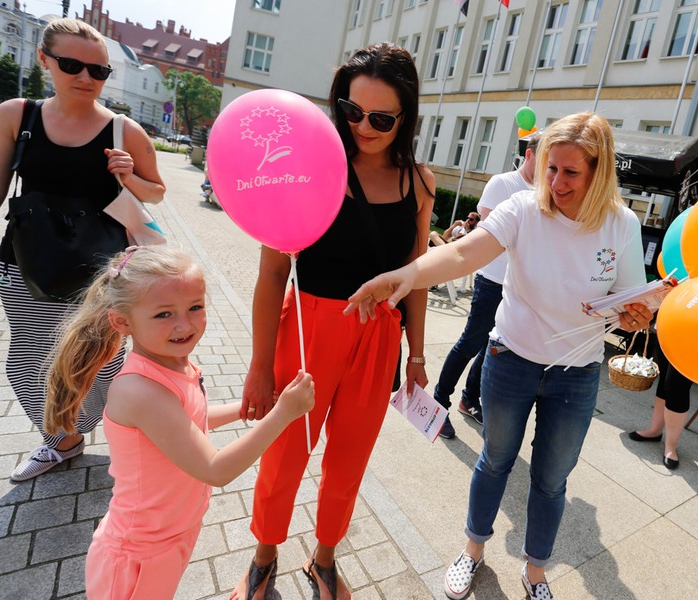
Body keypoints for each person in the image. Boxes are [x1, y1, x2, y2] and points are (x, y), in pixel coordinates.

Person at [345, 112, 654, 600]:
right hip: (510, 359)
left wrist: (635, 317)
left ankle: (536, 572)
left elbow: (628, 301)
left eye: (571, 172)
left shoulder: (621, 224)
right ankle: (472, 550)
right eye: (551, 168)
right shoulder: (524, 208)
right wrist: (404, 276)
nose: (556, 182)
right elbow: (463, 254)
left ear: (599, 173)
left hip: (575, 374)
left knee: (552, 480)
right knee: (495, 461)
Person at [231, 42, 434, 600]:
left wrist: (417, 355)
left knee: (349, 460)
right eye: (351, 110)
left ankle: (324, 559)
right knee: (283, 454)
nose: (363, 127)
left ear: (406, 117)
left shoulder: (419, 182)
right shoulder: (305, 168)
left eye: (381, 118)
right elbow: (273, 273)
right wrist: (259, 366)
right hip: (309, 329)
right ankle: (264, 556)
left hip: (380, 336)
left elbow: (417, 277)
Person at [42, 246, 315, 599]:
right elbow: (215, 469)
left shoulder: (176, 364)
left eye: (195, 307)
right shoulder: (140, 390)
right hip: (138, 554)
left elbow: (187, 423)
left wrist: (245, 409)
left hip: (171, 535)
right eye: (163, 314)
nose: (184, 325)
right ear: (122, 322)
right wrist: (284, 413)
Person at [0, 18, 166, 481]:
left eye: (99, 71)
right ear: (44, 60)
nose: (86, 78)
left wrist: (129, 175)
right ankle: (61, 441)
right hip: (27, 265)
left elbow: (157, 192)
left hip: (100, 276)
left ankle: (122, 431)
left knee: (101, 363)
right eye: (72, 66)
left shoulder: (123, 130)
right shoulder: (16, 115)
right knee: (32, 359)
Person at [435, 133, 541, 439]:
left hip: (518, 286)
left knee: (493, 347)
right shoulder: (503, 183)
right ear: (530, 155)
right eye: (547, 159)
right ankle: (439, 403)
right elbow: (492, 235)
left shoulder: (544, 192)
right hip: (493, 280)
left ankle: (470, 398)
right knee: (470, 343)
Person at [628, 341, 691, 470]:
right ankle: (655, 430)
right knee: (664, 379)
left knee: (677, 385)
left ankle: (671, 446)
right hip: (669, 332)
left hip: (697, 338)